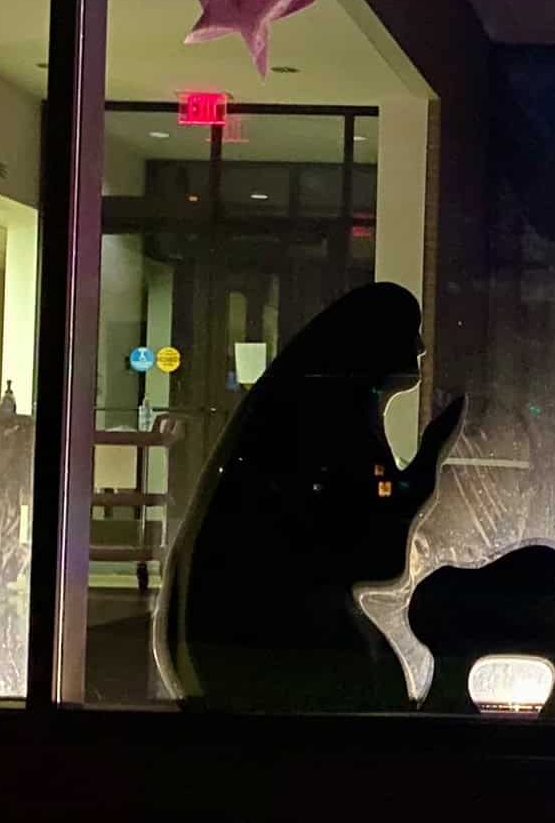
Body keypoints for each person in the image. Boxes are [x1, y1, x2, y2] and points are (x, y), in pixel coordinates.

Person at [155, 282, 460, 711]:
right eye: (410, 332)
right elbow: (379, 557)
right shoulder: (340, 428)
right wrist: (428, 461)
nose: (421, 348)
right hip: (260, 647)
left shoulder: (305, 416)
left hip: (216, 647)